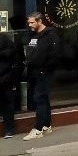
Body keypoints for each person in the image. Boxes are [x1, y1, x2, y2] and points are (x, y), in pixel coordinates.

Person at [23, 12, 61, 141]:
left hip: (44, 72)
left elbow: (55, 55)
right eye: (29, 23)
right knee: (43, 98)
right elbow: (31, 51)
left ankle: (38, 129)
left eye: (32, 22)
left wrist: (44, 69)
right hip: (34, 72)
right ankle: (46, 125)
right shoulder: (32, 35)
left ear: (40, 21)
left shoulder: (51, 35)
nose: (30, 25)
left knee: (39, 98)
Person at [0, 31, 23, 139]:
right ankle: (9, 130)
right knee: (7, 105)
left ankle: (9, 129)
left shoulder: (4, 40)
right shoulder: (6, 40)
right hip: (7, 77)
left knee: (7, 104)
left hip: (6, 78)